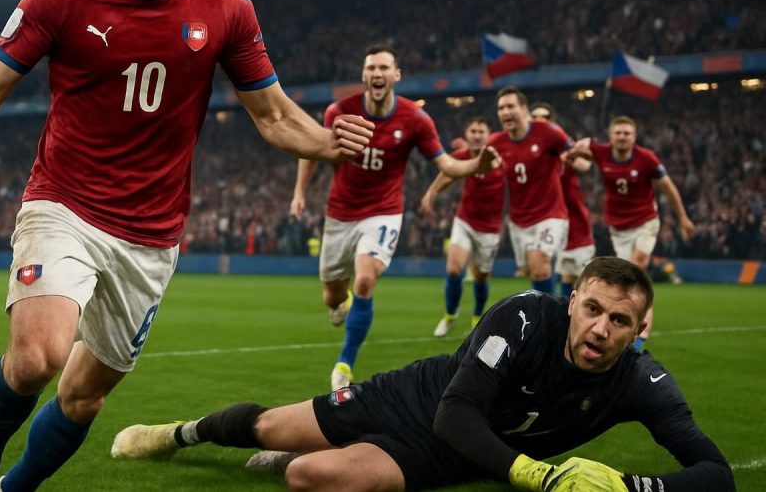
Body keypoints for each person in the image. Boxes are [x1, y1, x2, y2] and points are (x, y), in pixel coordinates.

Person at [0, 0, 374, 492]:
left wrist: (329, 142)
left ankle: (15, 488)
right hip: (64, 203)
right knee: (39, 354)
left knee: (84, 398)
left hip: (152, 233)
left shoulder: (225, 2)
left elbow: (271, 113)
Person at [110, 257, 734, 492]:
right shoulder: (522, 317)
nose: (601, 329)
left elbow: (715, 475)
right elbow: (455, 413)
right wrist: (534, 475)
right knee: (272, 426)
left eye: (619, 320)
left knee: (306, 475)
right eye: (593, 309)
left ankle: (309, 453)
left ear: (640, 328)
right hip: (418, 401)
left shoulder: (642, 383)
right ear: (572, 300)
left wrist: (629, 489)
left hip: (453, 458)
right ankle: (178, 433)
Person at [289, 45, 499, 390]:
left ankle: (344, 364)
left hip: (383, 212)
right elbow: (312, 150)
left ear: (396, 75)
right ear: (363, 75)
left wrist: (477, 165)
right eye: (371, 67)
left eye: (384, 67)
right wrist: (299, 192)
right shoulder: (340, 112)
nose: (377, 73)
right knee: (332, 296)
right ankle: (342, 305)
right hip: (340, 214)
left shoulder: (415, 120)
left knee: (366, 279)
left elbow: (446, 165)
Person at [575, 116, 695, 350]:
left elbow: (668, 187)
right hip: (618, 228)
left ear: (634, 136)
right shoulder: (600, 152)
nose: (622, 137)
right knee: (626, 281)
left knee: (636, 269)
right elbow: (579, 150)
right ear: (610, 135)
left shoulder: (646, 159)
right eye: (618, 132)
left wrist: (682, 218)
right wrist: (578, 148)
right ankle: (626, 324)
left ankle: (639, 339)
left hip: (645, 222)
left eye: (627, 133)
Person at [420, 117, 505, 337]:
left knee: (481, 277)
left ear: (489, 135)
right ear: (467, 135)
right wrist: (431, 193)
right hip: (465, 221)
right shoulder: (462, 156)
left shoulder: (500, 157)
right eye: (473, 131)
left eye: (481, 131)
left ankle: (478, 316)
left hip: (490, 229)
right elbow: (448, 173)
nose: (476, 135)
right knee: (453, 269)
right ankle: (450, 315)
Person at [486, 87, 574, 295]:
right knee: (533, 271)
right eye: (501, 108)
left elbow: (573, 152)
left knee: (539, 265)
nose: (505, 112)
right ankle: (555, 309)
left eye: (510, 106)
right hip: (519, 221)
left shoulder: (548, 132)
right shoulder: (495, 143)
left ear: (524, 109)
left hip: (550, 214)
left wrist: (580, 158)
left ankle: (551, 321)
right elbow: (479, 169)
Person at [529, 102, 595, 299]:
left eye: (545, 117)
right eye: (535, 117)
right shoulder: (527, 152)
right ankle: (549, 317)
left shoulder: (561, 147)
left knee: (574, 278)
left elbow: (585, 165)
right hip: (545, 219)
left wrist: (572, 152)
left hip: (573, 219)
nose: (540, 121)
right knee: (548, 270)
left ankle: (573, 320)